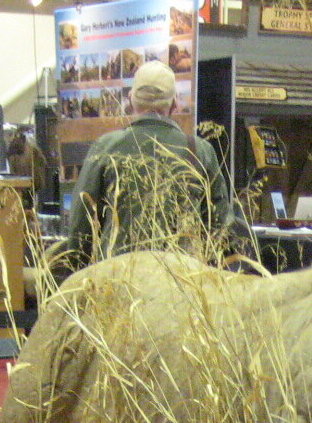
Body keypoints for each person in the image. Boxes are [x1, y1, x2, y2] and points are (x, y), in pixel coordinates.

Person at [63, 60, 234, 270]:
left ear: (131, 100)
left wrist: (76, 273)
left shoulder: (106, 147)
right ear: (174, 104)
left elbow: (82, 222)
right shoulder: (200, 150)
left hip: (117, 279)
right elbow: (221, 227)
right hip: (181, 281)